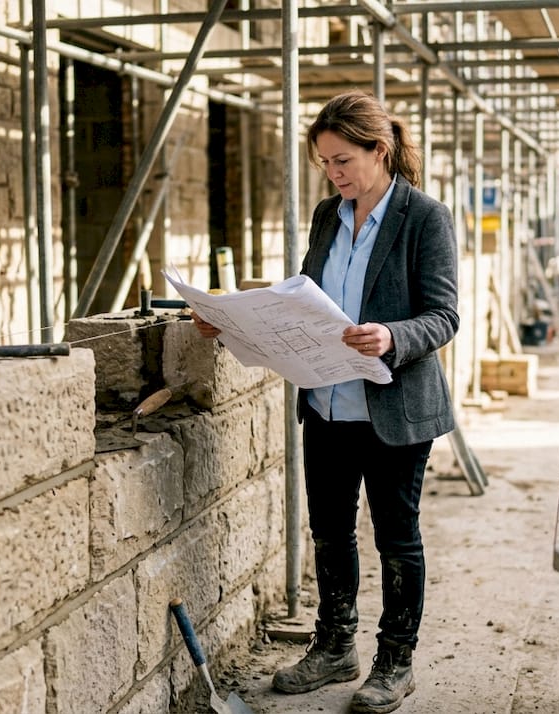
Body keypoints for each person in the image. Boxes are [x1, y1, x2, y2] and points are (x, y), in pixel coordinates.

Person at [192, 91, 459, 713]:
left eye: (343, 161)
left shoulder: (425, 218)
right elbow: (305, 302)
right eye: (325, 164)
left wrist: (393, 335)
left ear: (380, 152)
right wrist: (230, 321)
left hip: (393, 410)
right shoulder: (325, 216)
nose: (335, 174)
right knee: (330, 532)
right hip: (327, 406)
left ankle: (396, 660)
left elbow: (444, 315)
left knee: (398, 537)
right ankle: (336, 645)